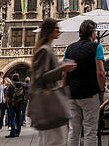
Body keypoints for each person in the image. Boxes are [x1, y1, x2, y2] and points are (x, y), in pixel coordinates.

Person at [30, 18, 77, 146]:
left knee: (52, 140)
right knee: (54, 141)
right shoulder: (44, 50)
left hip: (49, 103)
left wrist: (61, 67)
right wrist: (61, 69)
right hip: (49, 103)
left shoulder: (47, 49)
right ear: (49, 30)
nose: (59, 30)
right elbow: (40, 78)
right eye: (56, 28)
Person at [64, 19, 105, 146]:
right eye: (95, 31)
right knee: (90, 130)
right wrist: (102, 90)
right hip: (90, 94)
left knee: (73, 130)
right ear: (92, 33)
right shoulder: (96, 47)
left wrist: (64, 92)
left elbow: (64, 73)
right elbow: (100, 72)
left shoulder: (69, 48)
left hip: (72, 94)